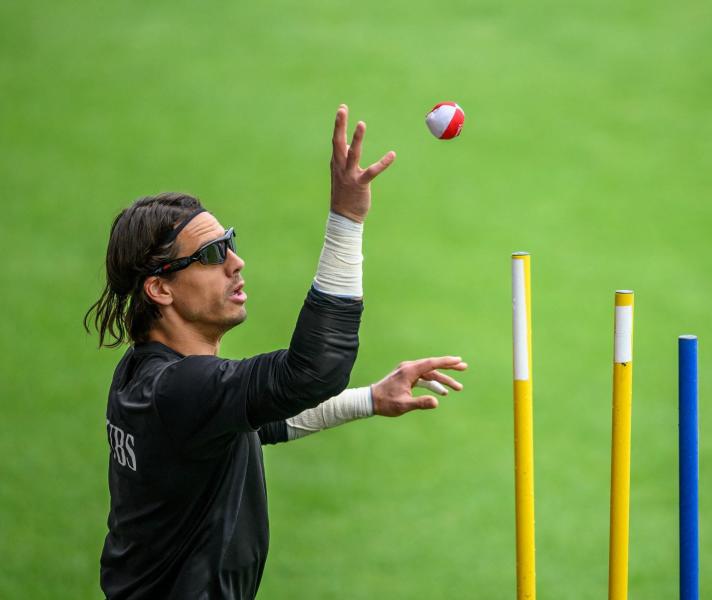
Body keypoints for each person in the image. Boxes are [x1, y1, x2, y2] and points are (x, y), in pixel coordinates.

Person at [85, 105, 467, 599]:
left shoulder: (146, 375)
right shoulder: (179, 390)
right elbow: (312, 371)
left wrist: (370, 398)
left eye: (229, 243)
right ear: (160, 290)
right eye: (210, 255)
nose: (236, 262)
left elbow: (260, 420)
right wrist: (347, 218)